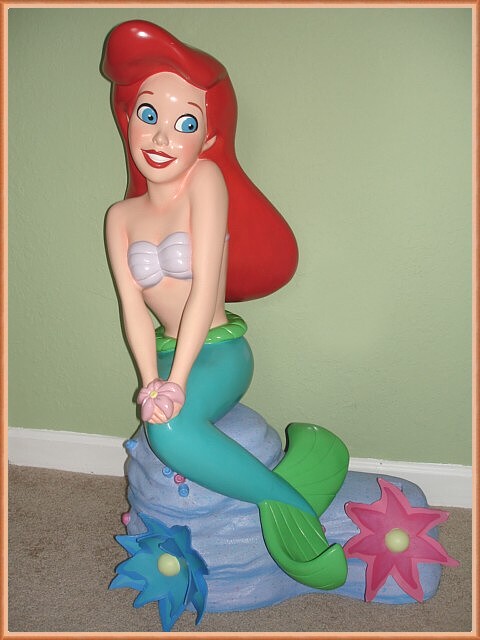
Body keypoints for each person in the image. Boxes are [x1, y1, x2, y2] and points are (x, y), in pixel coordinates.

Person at [102, 19, 349, 590]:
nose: (162, 138)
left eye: (185, 123)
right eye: (149, 114)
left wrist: (176, 385)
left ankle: (287, 507)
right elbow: (133, 310)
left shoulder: (206, 181)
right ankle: (289, 492)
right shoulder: (120, 217)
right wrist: (150, 380)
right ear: (128, 118)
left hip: (218, 350)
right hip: (166, 351)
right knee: (161, 420)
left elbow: (204, 287)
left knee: (170, 431)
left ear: (208, 139)